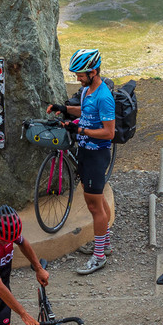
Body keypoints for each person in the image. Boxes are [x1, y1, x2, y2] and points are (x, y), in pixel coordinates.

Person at [51, 49, 115, 275]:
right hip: (86, 152)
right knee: (97, 200)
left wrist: (80, 129)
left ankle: (99, 257)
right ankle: (103, 245)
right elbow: (86, 110)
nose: (77, 78)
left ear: (93, 71)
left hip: (97, 154)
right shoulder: (89, 89)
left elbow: (109, 133)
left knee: (93, 206)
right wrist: (64, 109)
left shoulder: (104, 97)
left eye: (80, 74)